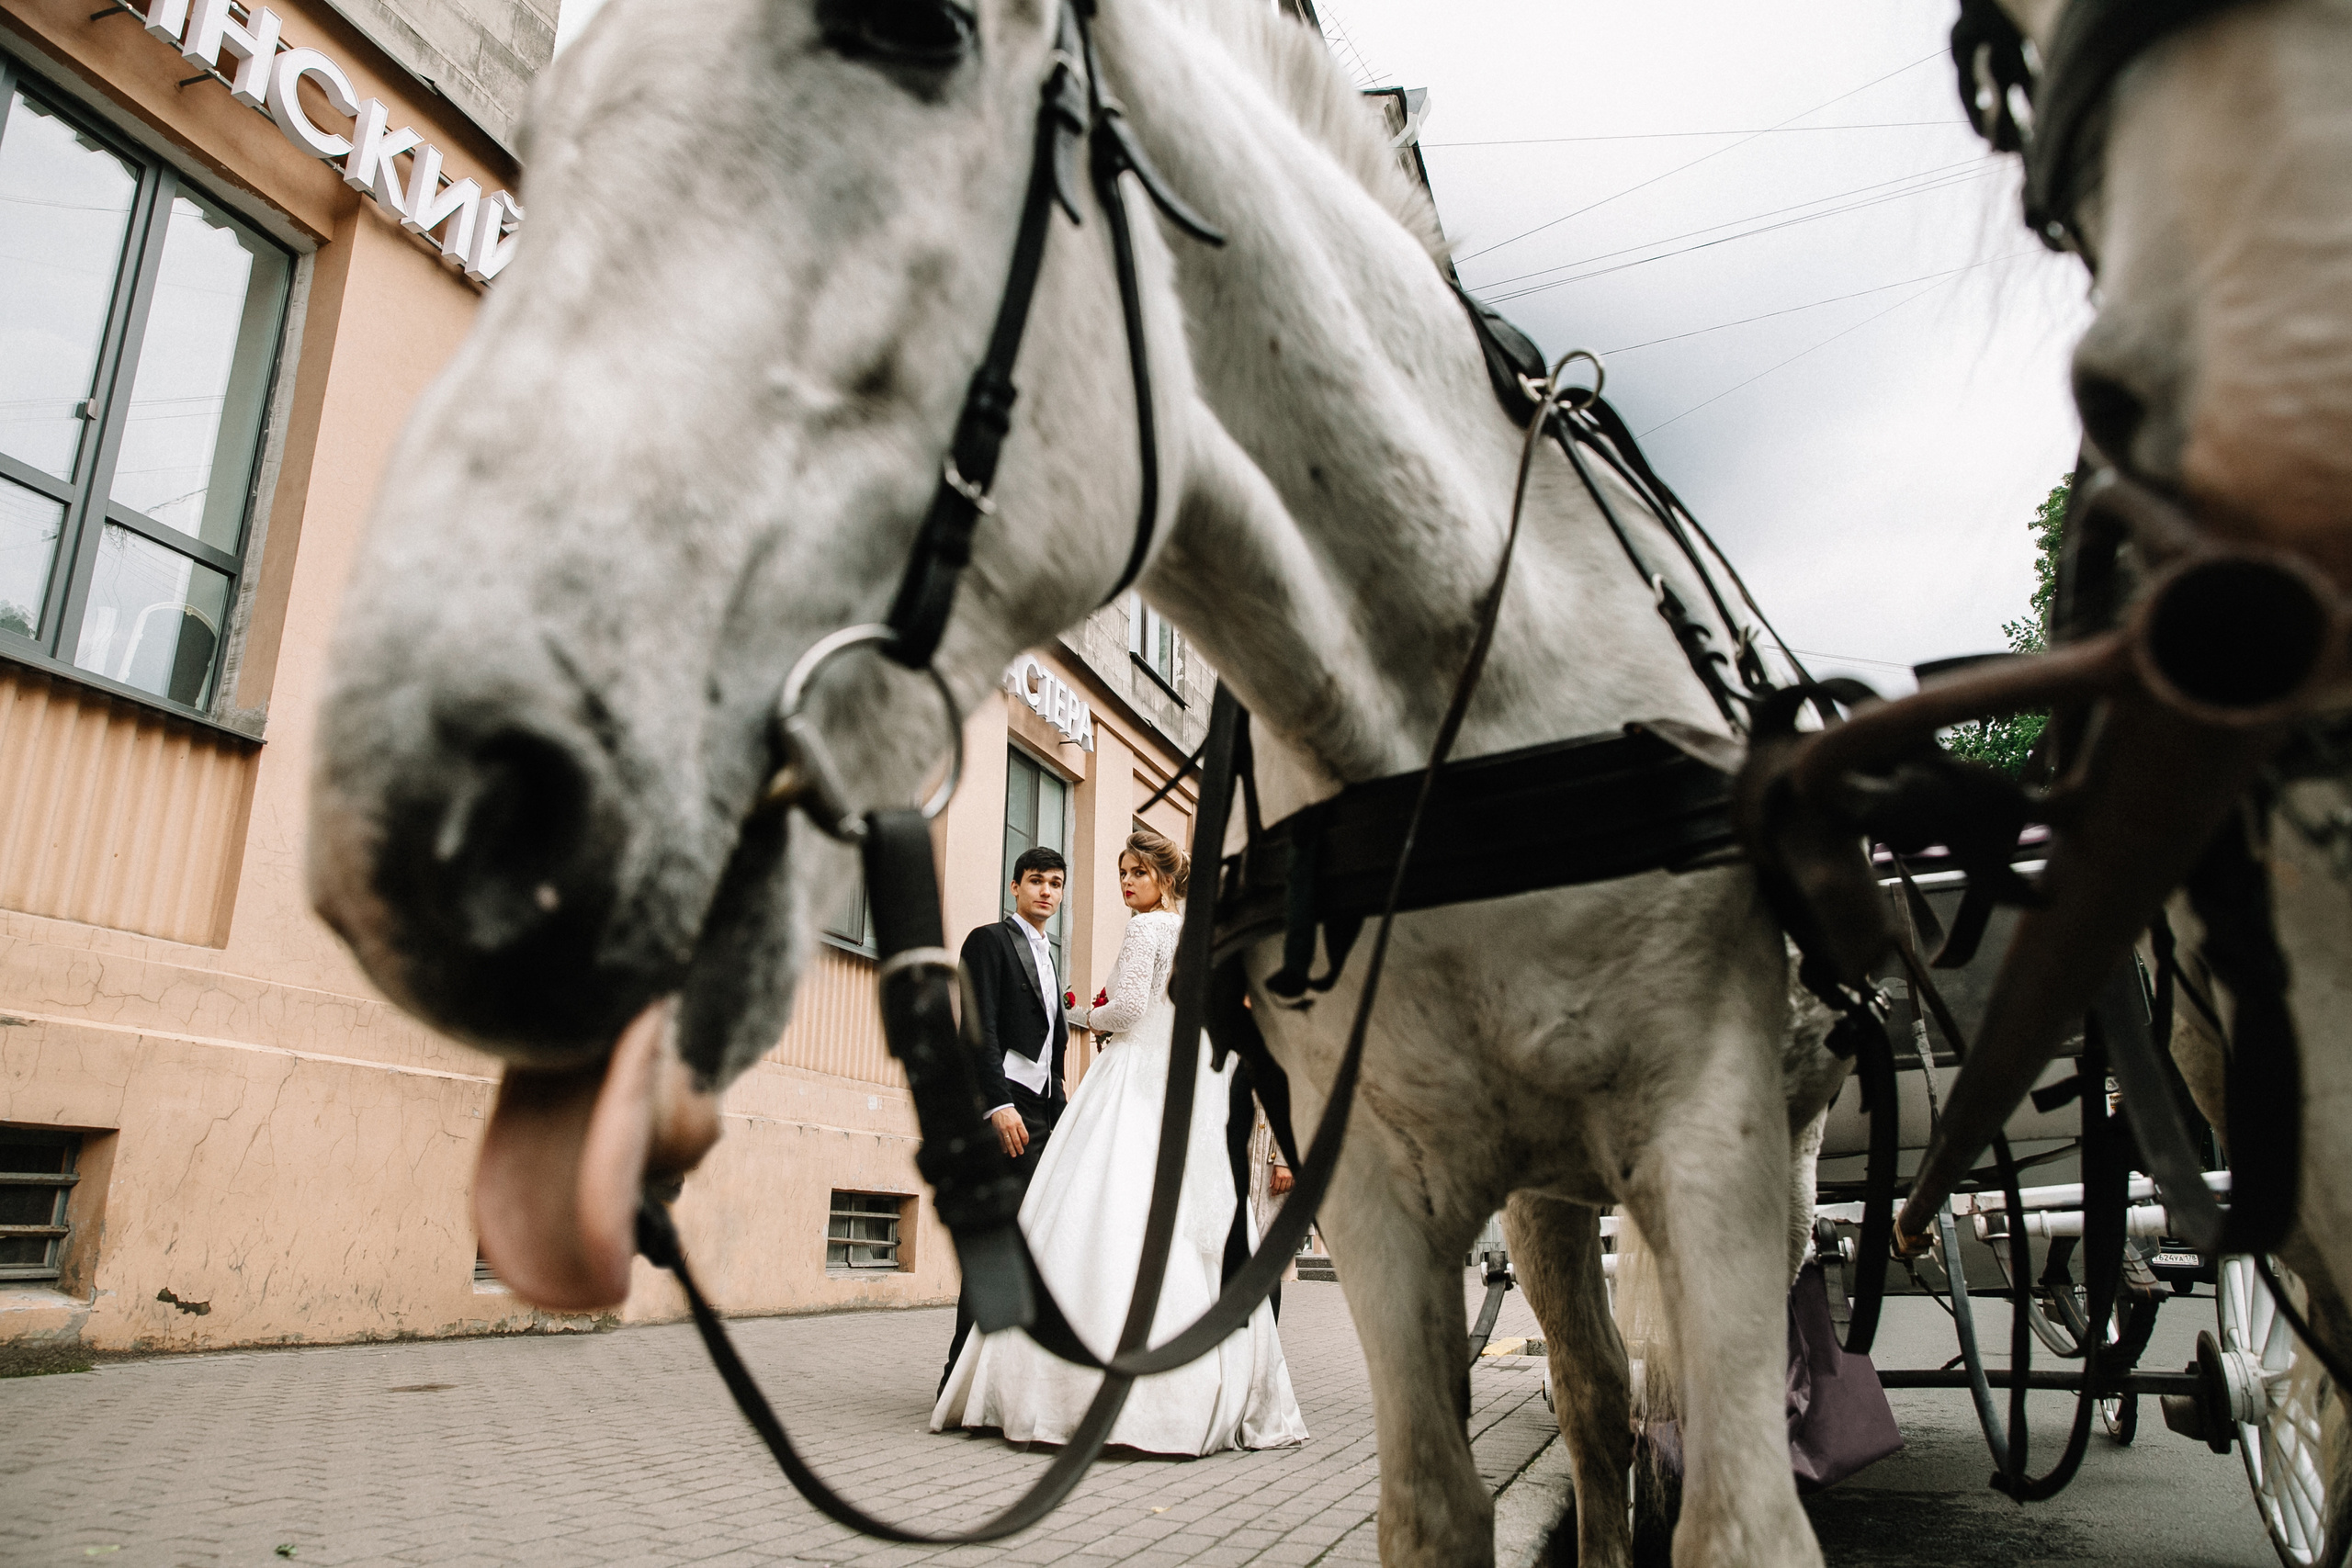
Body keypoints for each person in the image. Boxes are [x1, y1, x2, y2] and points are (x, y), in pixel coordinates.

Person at [933, 829, 1308, 1456]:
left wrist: (1086, 1016)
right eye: (1121, 873)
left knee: (1097, 1211)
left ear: (1162, 878)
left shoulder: (1147, 929)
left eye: (1136, 872)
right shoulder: (1194, 932)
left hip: (1132, 1077)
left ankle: (1070, 1386)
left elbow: (1129, 1007)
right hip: (1175, 1082)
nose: (1127, 883)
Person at [938, 845, 1071, 1395]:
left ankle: (1007, 1381)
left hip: (1043, 1109)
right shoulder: (990, 940)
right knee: (998, 1235)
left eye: (1056, 883)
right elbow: (980, 1027)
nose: (1046, 891)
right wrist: (997, 1105)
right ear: (1015, 887)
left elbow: (1051, 1045)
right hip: (1007, 1108)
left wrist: (1060, 1105)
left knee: (1040, 1236)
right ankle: (957, 1378)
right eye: (1036, 881)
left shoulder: (1048, 951)